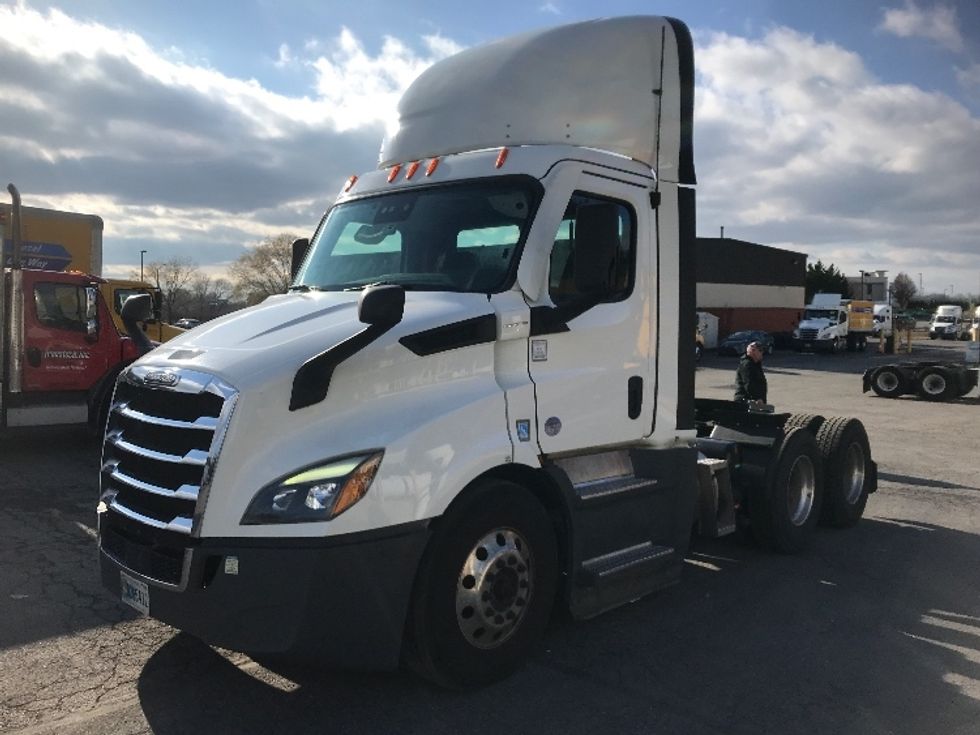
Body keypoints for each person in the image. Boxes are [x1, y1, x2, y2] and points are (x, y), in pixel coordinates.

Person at [734, 341, 768, 405]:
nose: (762, 353)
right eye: (760, 350)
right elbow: (749, 383)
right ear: (753, 351)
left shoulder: (756, 364)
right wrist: (757, 398)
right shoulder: (747, 364)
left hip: (755, 401)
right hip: (745, 402)